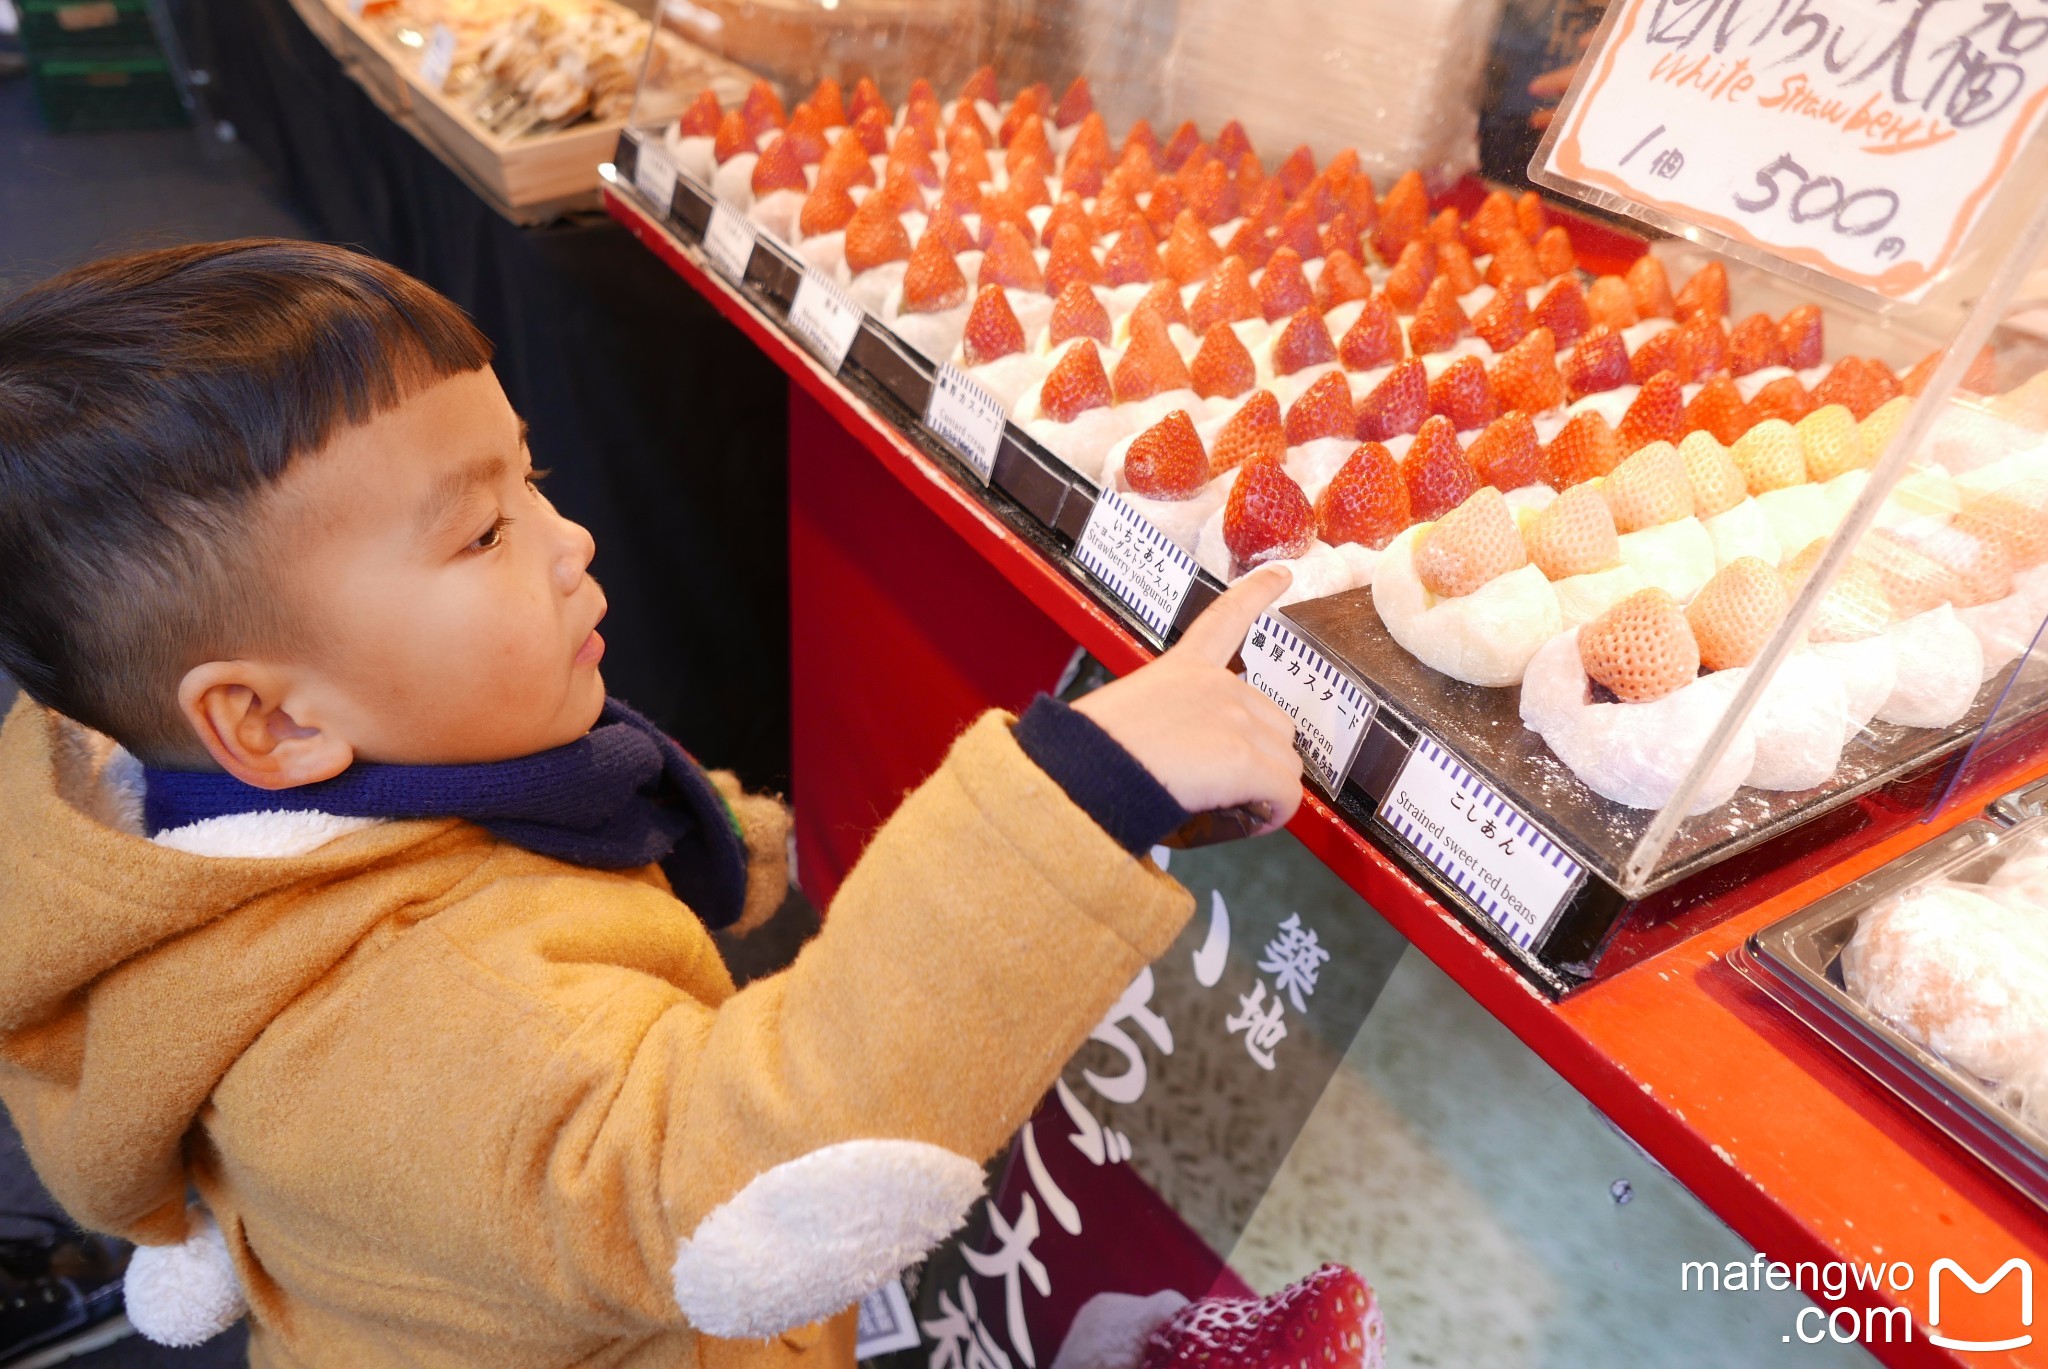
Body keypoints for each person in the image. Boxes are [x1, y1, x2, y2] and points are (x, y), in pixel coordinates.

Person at [0, 239, 1302, 1368]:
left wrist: (717, 835)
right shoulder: (424, 1014)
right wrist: (1074, 802)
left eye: (533, 478)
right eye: (483, 533)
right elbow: (736, 1176)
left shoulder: (182, 808)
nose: (571, 541)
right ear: (274, 719)